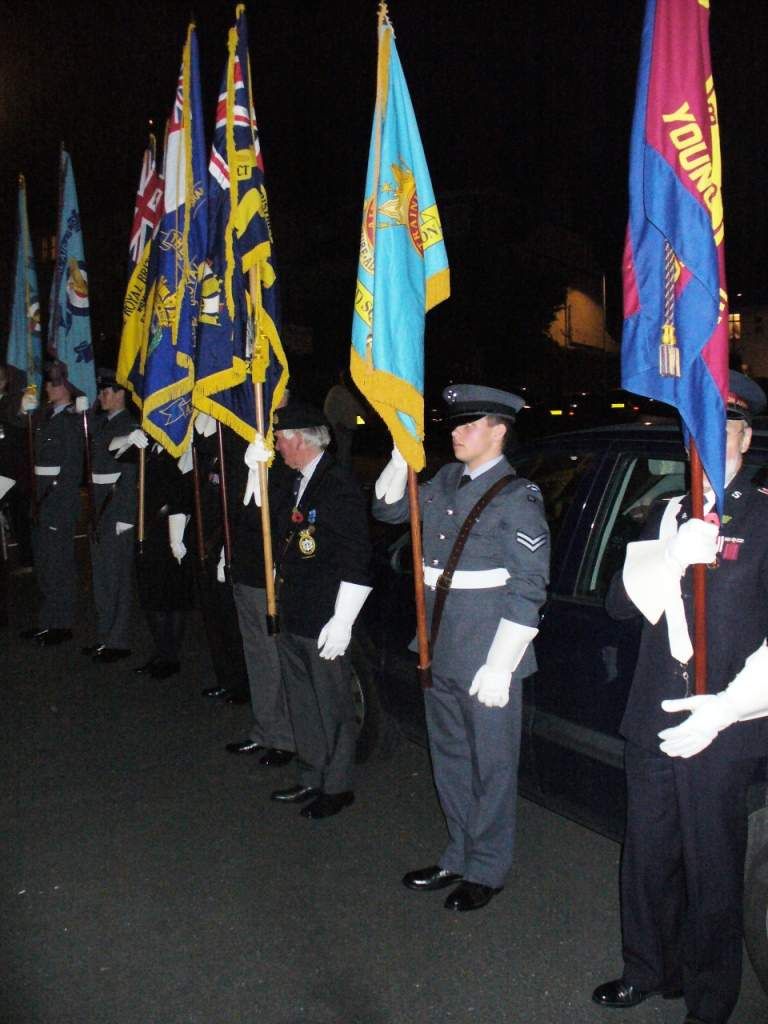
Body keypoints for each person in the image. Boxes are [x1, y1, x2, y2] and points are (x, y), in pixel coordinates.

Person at [593, 371, 768, 1024]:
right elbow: (618, 603)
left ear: (746, 439)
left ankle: (709, 1001)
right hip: (653, 716)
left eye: (724, 430)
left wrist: (727, 708)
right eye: (698, 430)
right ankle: (646, 969)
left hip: (725, 726)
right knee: (646, 855)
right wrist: (669, 555)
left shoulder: (766, 518)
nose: (710, 442)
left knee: (713, 873)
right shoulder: (665, 510)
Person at [372, 384, 550, 912]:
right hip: (439, 643)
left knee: (491, 764)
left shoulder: (518, 496)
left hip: (487, 651)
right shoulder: (444, 480)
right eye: (453, 425)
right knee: (449, 756)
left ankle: (488, 867)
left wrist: (501, 665)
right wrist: (396, 456)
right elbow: (387, 513)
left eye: (468, 425)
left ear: (498, 431)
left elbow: (528, 586)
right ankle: (458, 852)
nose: (455, 432)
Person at [268, 399, 372, 819]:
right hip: (294, 608)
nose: (276, 448)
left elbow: (356, 555)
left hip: (324, 615)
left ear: (299, 441)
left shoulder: (337, 484)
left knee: (331, 702)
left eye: (279, 441)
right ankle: (311, 773)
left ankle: (338, 784)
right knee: (303, 700)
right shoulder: (296, 479)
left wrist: (343, 619)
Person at [223, 430, 297, 766]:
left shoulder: (285, 465)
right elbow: (235, 512)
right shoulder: (246, 456)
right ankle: (266, 728)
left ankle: (285, 736)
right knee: (257, 655)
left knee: (273, 657)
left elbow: (277, 519)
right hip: (247, 567)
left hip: (270, 573)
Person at [20, 361, 85, 646]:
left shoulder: (71, 420)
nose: (48, 387)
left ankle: (63, 623)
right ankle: (48, 620)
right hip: (42, 498)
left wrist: (52, 499)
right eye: (48, 383)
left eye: (53, 383)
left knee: (59, 563)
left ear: (66, 387)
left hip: (57, 500)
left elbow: (72, 468)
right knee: (45, 563)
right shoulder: (45, 417)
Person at [80, 370, 139, 663]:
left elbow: (129, 474)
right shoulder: (102, 424)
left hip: (116, 508)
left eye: (106, 392)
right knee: (102, 577)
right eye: (101, 391)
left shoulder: (129, 425)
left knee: (117, 577)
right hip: (100, 505)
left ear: (121, 394)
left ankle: (118, 639)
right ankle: (105, 636)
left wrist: (126, 516)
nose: (101, 396)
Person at [322, 369, 365, 469]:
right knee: (344, 453)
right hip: (341, 427)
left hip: (339, 426)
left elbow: (357, 414)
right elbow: (358, 410)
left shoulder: (338, 391)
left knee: (343, 452)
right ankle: (343, 474)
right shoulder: (340, 391)